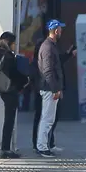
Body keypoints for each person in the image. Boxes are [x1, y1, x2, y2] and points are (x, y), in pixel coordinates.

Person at [0, 32, 30, 159]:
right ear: (9, 43)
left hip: (3, 89)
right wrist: (25, 80)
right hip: (10, 90)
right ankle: (6, 149)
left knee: (8, 119)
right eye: (14, 43)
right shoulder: (8, 56)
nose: (15, 46)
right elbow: (13, 74)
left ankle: (6, 148)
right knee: (9, 120)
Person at [35, 20, 70, 157]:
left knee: (48, 118)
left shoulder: (49, 46)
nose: (61, 31)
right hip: (49, 89)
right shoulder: (48, 47)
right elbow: (48, 70)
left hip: (50, 88)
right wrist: (55, 89)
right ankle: (42, 146)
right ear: (56, 31)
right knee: (47, 119)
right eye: (60, 29)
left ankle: (44, 144)